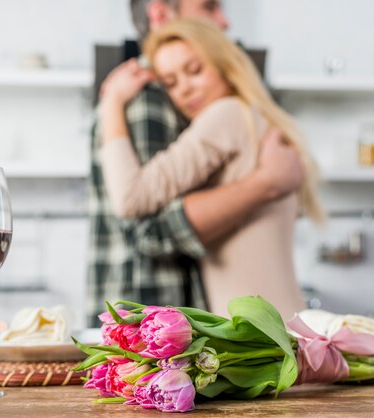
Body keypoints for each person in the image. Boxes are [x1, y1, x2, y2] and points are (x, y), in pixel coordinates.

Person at [87, 0, 304, 324]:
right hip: (146, 319)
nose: (225, 22)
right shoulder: (148, 101)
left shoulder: (226, 113)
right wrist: (265, 184)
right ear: (160, 13)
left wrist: (111, 103)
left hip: (231, 326)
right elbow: (144, 225)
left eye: (195, 70)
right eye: (209, 6)